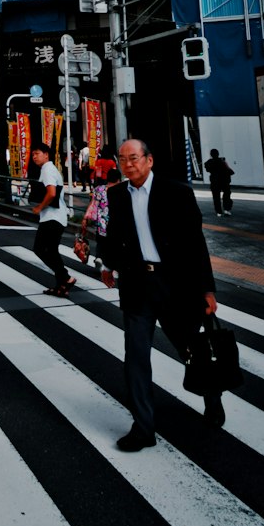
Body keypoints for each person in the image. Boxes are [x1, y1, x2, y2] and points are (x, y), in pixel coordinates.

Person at [101, 138, 223, 451]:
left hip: (176, 286)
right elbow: (114, 235)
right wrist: (107, 264)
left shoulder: (177, 192)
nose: (128, 164)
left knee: (190, 350)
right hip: (138, 285)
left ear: (149, 160)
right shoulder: (116, 195)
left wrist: (207, 288)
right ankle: (143, 428)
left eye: (134, 158)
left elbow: (196, 244)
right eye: (123, 159)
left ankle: (212, 397)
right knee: (136, 357)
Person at [29, 142, 74, 296]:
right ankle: (61, 286)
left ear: (46, 154)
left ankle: (65, 278)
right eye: (33, 154)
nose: (34, 157)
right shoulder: (49, 169)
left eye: (37, 153)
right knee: (52, 251)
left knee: (40, 248)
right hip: (58, 217)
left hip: (52, 217)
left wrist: (39, 208)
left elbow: (52, 193)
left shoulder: (47, 169)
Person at [205, 149, 234, 216]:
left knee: (216, 197)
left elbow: (208, 170)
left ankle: (219, 212)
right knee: (227, 195)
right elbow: (229, 170)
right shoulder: (222, 161)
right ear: (218, 154)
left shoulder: (208, 163)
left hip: (214, 181)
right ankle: (226, 209)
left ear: (211, 155)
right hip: (224, 181)